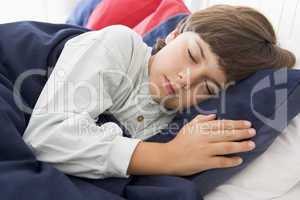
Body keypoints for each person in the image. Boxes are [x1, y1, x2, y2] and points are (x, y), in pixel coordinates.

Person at [23, 5, 295, 179]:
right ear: (176, 33)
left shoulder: (169, 122)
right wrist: (168, 157)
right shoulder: (121, 45)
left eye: (208, 86)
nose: (186, 80)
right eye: (192, 54)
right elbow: (47, 136)